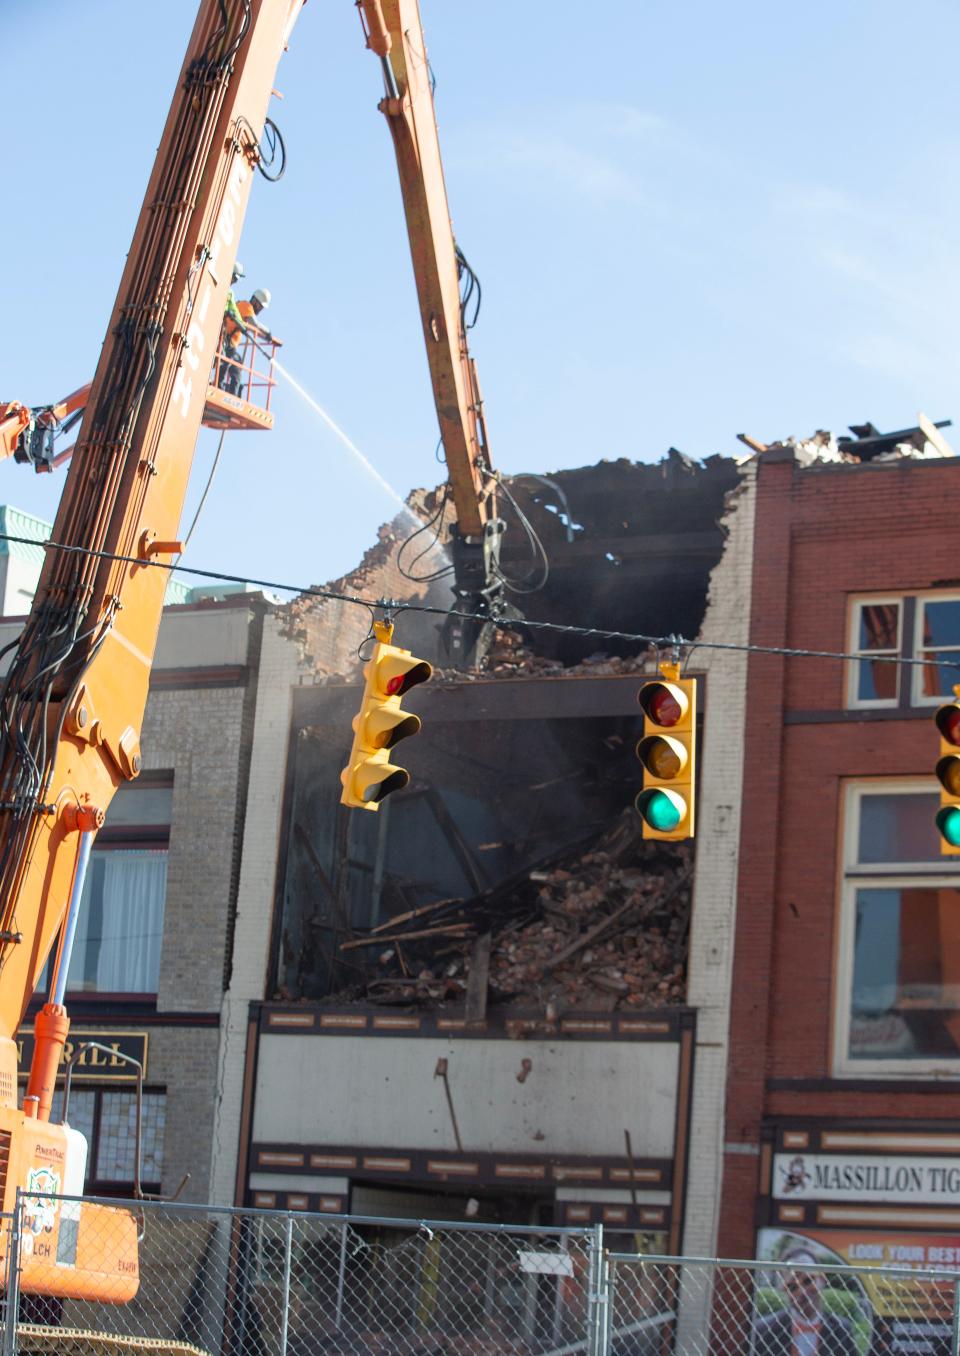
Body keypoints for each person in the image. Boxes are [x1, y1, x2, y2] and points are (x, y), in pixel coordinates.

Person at [752, 1250, 858, 1356]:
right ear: (784, 1289)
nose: (802, 1291)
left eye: (808, 1281)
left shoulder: (842, 1329)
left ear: (822, 1279)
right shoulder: (764, 1330)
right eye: (792, 1287)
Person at [219, 262, 247, 394]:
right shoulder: (218, 284)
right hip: (216, 329)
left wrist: (241, 325)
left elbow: (234, 310)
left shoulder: (229, 292)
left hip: (222, 334)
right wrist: (225, 311)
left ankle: (223, 385)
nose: (235, 282)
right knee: (224, 357)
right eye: (235, 278)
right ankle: (219, 383)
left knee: (228, 359)